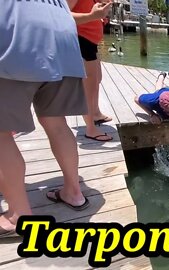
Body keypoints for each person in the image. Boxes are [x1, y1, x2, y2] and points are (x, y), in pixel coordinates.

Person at [0, 0, 90, 237]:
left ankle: (18, 216)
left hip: (16, 32)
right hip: (64, 35)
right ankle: (74, 192)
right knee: (57, 122)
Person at [68, 0, 114, 142]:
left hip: (90, 42)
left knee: (96, 79)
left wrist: (98, 16)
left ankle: (95, 113)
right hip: (80, 40)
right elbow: (63, 15)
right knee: (89, 86)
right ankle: (90, 129)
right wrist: (91, 16)